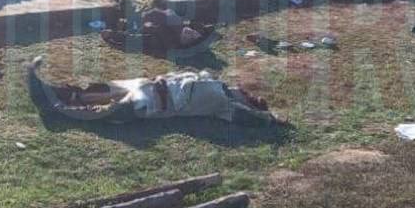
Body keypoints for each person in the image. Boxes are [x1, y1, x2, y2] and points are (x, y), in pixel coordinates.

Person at [26, 56, 273, 125]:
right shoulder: (215, 82)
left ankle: (57, 110)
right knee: (101, 90)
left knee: (110, 109)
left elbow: (255, 118)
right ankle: (50, 91)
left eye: (252, 99)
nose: (248, 93)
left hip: (158, 103)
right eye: (250, 94)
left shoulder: (226, 107)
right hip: (150, 84)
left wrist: (270, 117)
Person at [97, 0, 216, 55]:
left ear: (182, 40)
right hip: (157, 6)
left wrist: (113, 35)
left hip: (139, 14)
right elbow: (206, 29)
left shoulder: (162, 37)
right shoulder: (185, 27)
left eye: (190, 36)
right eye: (194, 34)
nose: (192, 33)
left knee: (126, 0)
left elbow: (136, 39)